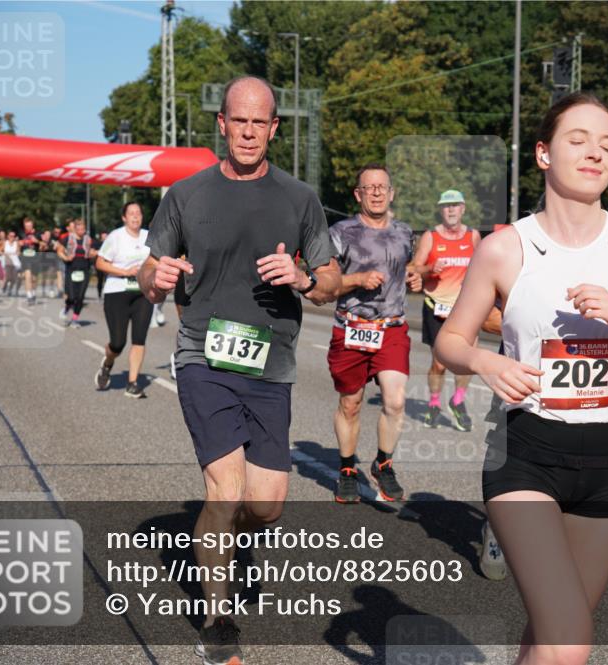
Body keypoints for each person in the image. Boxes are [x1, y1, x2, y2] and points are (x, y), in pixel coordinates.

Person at [435, 92, 608, 663]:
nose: (596, 153)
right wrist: (487, 362)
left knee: (550, 639)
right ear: (544, 154)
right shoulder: (505, 248)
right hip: (526, 456)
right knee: (571, 641)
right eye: (579, 140)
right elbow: (451, 339)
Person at [139, 75, 341, 665]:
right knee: (224, 490)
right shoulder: (185, 194)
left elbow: (329, 280)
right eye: (239, 120)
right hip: (203, 354)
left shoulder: (300, 198)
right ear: (222, 124)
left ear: (275, 127)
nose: (250, 131)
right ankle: (219, 618)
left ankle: (221, 537)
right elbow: (148, 275)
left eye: (262, 122)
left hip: (270, 363)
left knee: (268, 505)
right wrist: (159, 278)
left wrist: (305, 279)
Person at [326, 164, 422, 504]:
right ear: (359, 194)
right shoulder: (341, 232)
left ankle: (383, 463)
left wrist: (415, 280)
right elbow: (324, 282)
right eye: (370, 187)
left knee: (395, 401)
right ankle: (347, 468)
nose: (378, 192)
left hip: (391, 328)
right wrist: (356, 280)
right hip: (351, 328)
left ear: (392, 193)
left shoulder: (405, 233)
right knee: (350, 404)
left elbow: (407, 270)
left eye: (383, 187)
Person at [411, 189, 481, 432]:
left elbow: (483, 269)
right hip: (436, 306)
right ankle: (433, 403)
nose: (450, 210)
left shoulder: (473, 237)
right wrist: (430, 267)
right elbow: (414, 268)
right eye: (446, 206)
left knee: (466, 362)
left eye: (455, 205)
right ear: (441, 210)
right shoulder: (431, 237)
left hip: (464, 309)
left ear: (463, 208)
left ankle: (458, 401)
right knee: (439, 364)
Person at [94, 202, 154, 399]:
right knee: (118, 343)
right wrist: (125, 271)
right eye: (131, 214)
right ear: (124, 218)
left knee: (139, 338)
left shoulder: (148, 236)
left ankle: (132, 382)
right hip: (117, 291)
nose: (135, 217)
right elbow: (100, 262)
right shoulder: (116, 236)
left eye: (138, 213)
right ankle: (108, 363)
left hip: (142, 293)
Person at [56, 219, 98, 328]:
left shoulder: (88, 240)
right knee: (71, 296)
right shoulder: (67, 238)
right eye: (78, 229)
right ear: (74, 229)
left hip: (84, 270)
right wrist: (66, 257)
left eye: (82, 229)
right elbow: (59, 251)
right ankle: (66, 308)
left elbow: (94, 251)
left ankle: (75, 319)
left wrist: (93, 254)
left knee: (80, 297)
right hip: (71, 269)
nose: (80, 231)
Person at [19, 217, 44, 305]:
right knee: (27, 276)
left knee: (34, 279)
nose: (28, 228)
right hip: (25, 258)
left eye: (29, 226)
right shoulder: (21, 233)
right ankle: (29, 295)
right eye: (26, 226)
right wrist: (19, 244)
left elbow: (44, 245)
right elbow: (17, 244)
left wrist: (37, 241)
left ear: (32, 225)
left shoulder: (38, 233)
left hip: (35, 258)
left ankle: (33, 292)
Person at [1, 229, 22, 296]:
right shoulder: (5, 242)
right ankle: (4, 287)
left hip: (15, 262)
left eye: (13, 236)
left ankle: (10, 289)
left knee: (14, 277)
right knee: (8, 277)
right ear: (8, 236)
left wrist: (17, 253)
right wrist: (4, 254)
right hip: (7, 261)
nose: (12, 237)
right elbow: (1, 250)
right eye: (10, 236)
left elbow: (18, 252)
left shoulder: (17, 243)